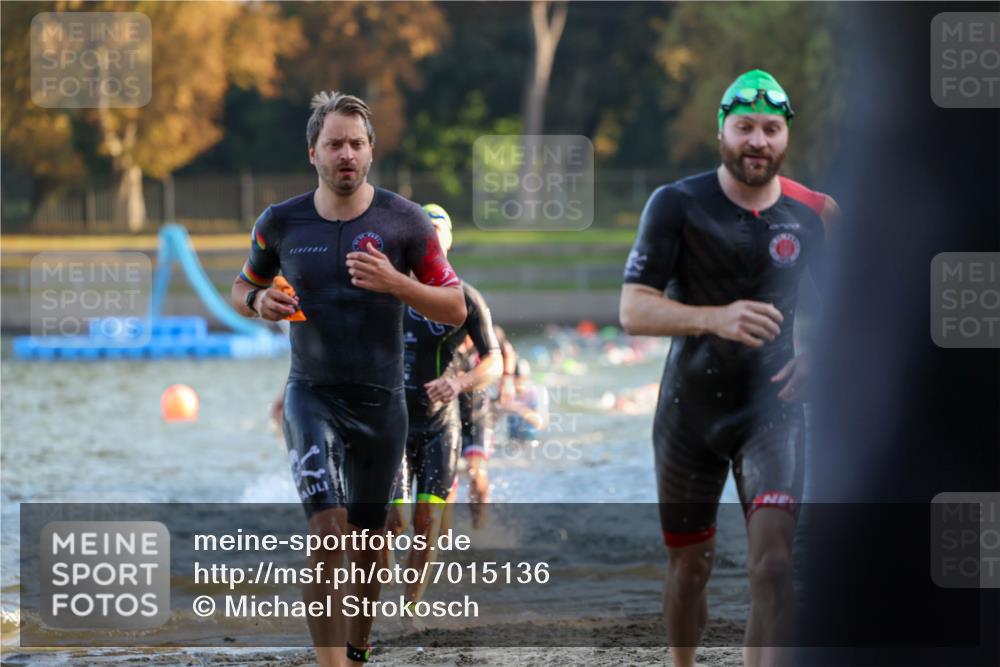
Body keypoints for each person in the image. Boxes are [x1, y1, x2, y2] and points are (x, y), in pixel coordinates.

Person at [231, 91, 466, 667]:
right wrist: (258, 302)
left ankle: (357, 651)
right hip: (311, 395)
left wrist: (398, 284)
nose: (346, 154)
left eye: (356, 144)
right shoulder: (280, 222)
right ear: (313, 152)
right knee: (328, 533)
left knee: (368, 546)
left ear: (371, 151)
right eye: (334, 144)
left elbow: (455, 306)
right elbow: (242, 286)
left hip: (383, 404)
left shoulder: (405, 222)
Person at [618, 70, 838, 667]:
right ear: (721, 131)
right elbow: (633, 309)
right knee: (691, 568)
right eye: (744, 127)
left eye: (770, 129)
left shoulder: (814, 214)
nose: (757, 141)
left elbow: (857, 304)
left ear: (786, 136)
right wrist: (716, 318)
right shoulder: (676, 204)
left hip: (773, 412)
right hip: (689, 415)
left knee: (774, 565)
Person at [386, 203, 502, 605]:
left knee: (428, 521)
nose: (431, 241)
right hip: (395, 425)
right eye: (424, 234)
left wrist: (459, 382)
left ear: (448, 242)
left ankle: (409, 609)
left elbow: (494, 361)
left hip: (440, 425)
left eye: (438, 234)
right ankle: (371, 594)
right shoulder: (389, 290)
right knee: (395, 521)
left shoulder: (465, 298)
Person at [450, 324, 517, 528]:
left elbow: (507, 351)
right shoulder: (442, 334)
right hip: (448, 416)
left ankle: (478, 527)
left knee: (477, 473)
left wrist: (507, 380)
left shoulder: (486, 333)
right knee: (447, 480)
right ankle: (442, 533)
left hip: (479, 415)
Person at [502, 359, 550, 446]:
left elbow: (541, 423)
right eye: (514, 379)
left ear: (527, 378)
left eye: (520, 379)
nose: (517, 383)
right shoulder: (505, 392)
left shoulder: (539, 392)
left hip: (533, 441)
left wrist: (519, 409)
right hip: (513, 441)